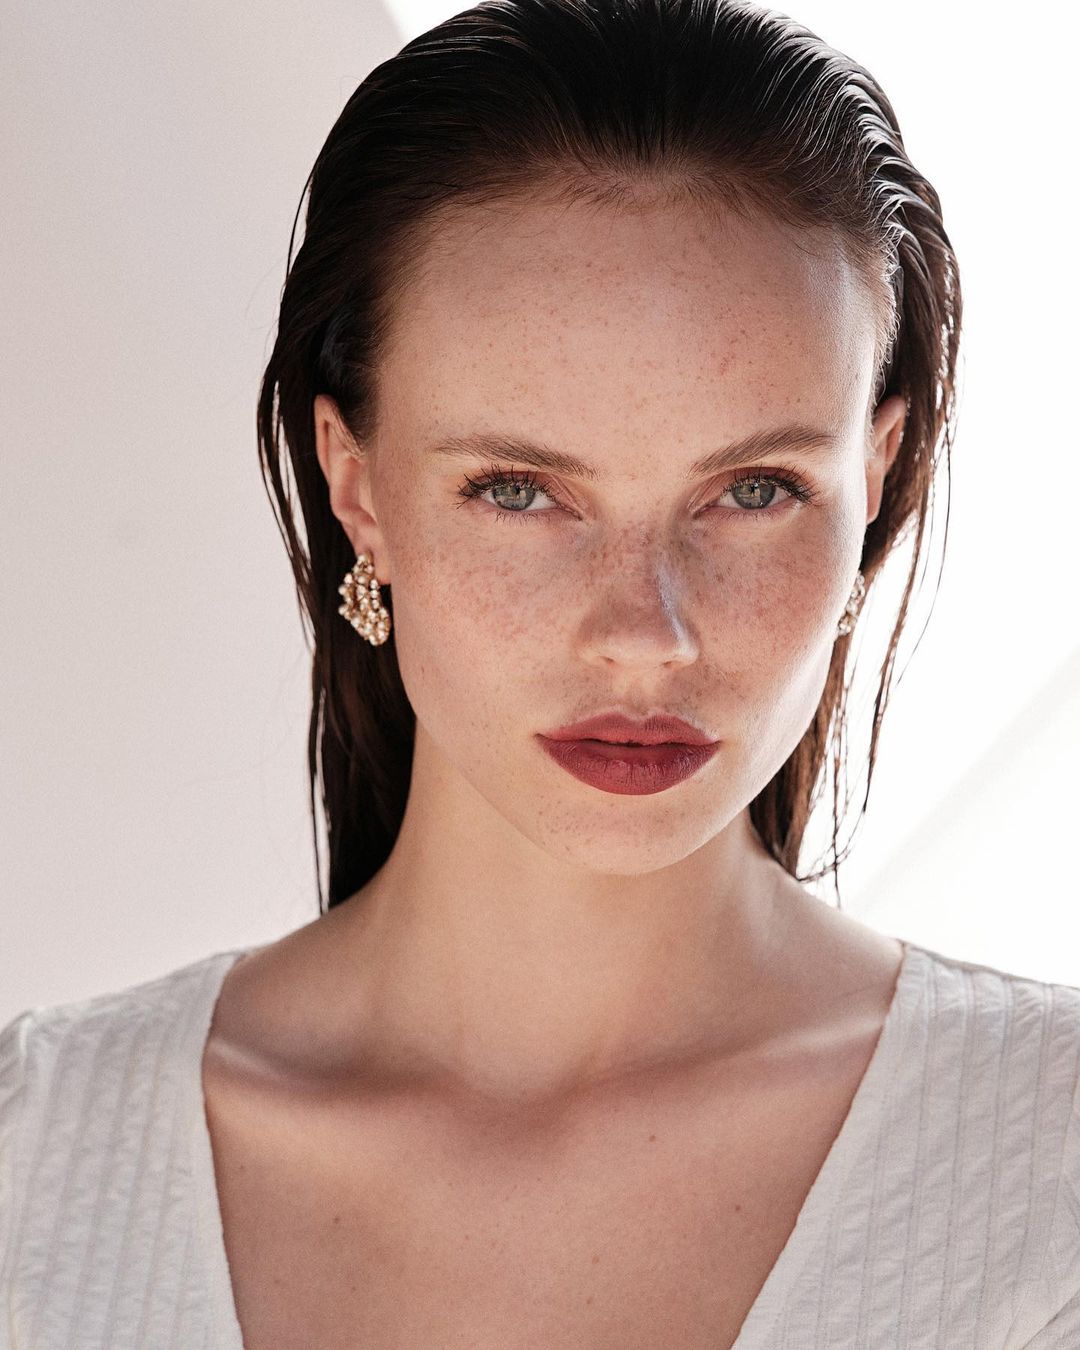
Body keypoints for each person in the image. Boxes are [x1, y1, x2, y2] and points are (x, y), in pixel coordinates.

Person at [3, 0, 1079, 1345]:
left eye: (754, 489)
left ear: (874, 478)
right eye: (518, 489)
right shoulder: (31, 1165)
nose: (645, 632)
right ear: (358, 487)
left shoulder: (1049, 1170)